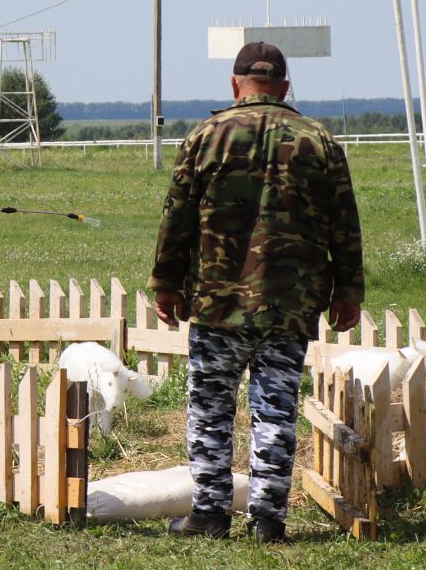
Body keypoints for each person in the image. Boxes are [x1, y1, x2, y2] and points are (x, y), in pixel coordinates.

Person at [148, 41, 364, 543]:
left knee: (211, 407)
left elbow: (175, 218)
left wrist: (166, 283)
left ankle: (209, 512)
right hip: (290, 303)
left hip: (217, 301)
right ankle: (268, 519)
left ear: (234, 85)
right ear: (286, 88)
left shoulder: (206, 136)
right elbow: (344, 224)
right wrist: (347, 290)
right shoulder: (320, 142)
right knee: (276, 409)